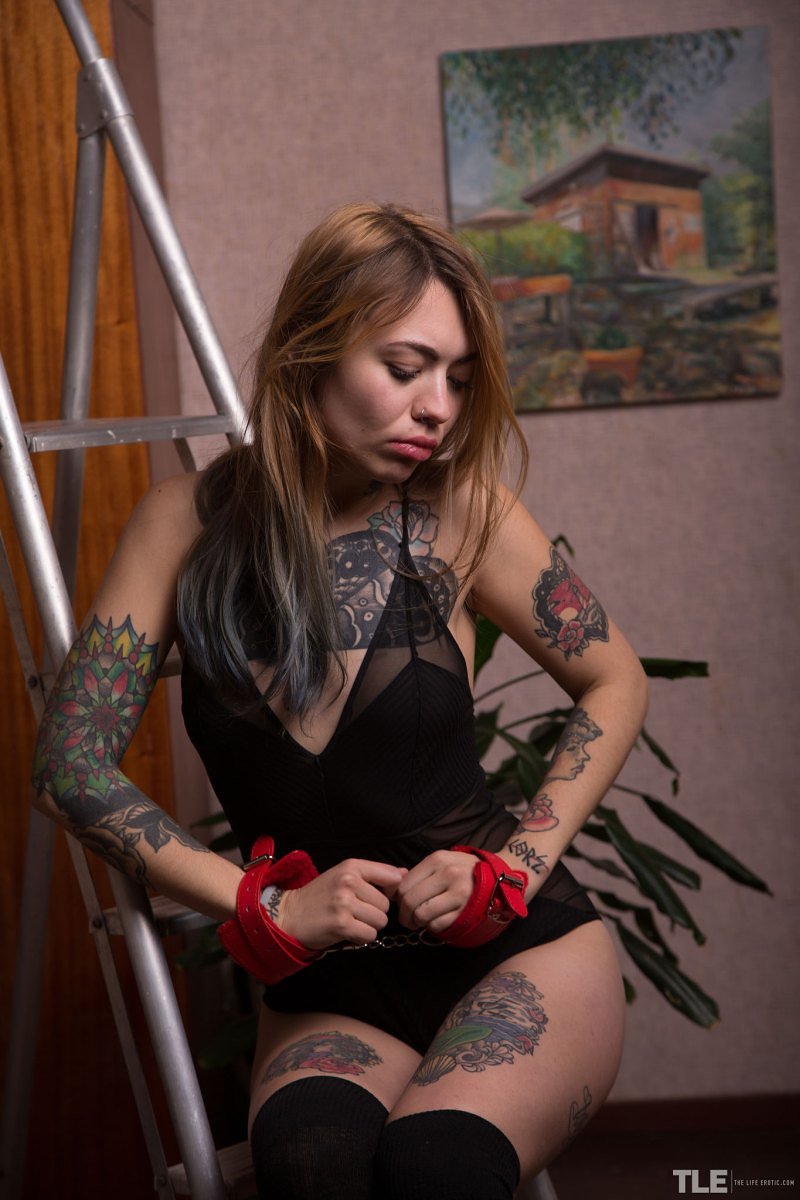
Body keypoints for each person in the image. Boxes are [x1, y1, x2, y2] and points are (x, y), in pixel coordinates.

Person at [32, 201, 648, 1199]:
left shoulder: (464, 512)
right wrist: (262, 903)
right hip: (333, 988)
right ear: (309, 353)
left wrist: (514, 868)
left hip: (513, 954)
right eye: (405, 369)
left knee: (434, 1168)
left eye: (457, 378)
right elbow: (70, 764)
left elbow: (614, 678)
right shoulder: (181, 526)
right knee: (309, 1169)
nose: (438, 407)